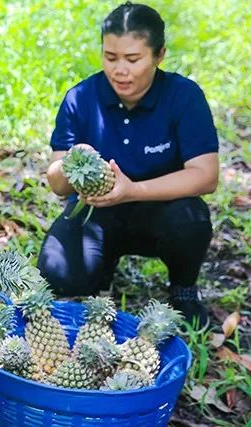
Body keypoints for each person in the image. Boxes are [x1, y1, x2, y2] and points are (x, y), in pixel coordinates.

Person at [37, 2, 218, 329]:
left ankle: (183, 288)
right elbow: (56, 182)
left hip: (161, 208)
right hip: (95, 213)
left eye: (133, 59)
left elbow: (205, 175)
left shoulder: (184, 96)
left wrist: (132, 190)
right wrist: (71, 163)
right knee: (58, 273)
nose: (120, 70)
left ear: (159, 55)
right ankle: (100, 268)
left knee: (191, 220)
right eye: (110, 57)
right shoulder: (81, 98)